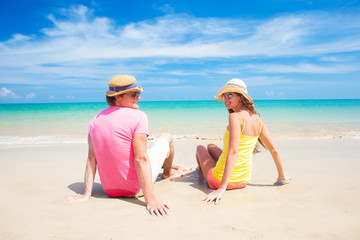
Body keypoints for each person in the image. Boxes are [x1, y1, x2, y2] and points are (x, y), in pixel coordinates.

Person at [65, 75, 186, 216]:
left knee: (140, 149)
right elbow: (141, 159)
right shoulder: (139, 116)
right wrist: (151, 200)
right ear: (118, 97)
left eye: (139, 94)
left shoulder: (94, 121)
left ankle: (172, 167)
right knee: (166, 136)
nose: (139, 98)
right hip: (136, 189)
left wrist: (86, 194)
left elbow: (92, 159)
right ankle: (167, 173)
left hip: (110, 191)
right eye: (134, 94)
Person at [196, 78, 291, 204]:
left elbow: (234, 152)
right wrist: (281, 177)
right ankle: (204, 168)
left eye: (230, 95)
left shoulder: (235, 117)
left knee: (200, 148)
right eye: (224, 96)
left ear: (240, 97)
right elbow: (274, 150)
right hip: (243, 180)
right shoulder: (257, 120)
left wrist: (221, 188)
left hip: (218, 180)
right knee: (211, 146)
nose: (226, 99)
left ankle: (200, 170)